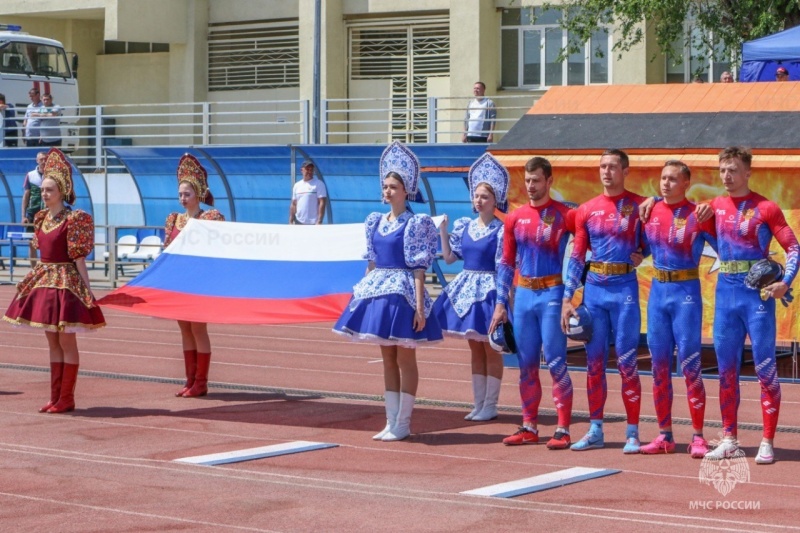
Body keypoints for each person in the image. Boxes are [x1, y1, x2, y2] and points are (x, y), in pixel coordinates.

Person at [333, 141, 442, 441]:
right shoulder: (374, 222)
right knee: (387, 358)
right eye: (385, 185)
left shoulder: (415, 223)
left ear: (406, 190)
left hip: (404, 295)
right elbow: (371, 263)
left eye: (393, 186)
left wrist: (419, 307)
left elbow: (420, 269)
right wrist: (361, 295)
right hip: (380, 292)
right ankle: (391, 420)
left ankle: (403, 422)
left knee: (406, 358)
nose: (388, 191)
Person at [703, 146, 798, 465]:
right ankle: (729, 438)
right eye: (722, 170)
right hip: (725, 296)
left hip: (755, 299)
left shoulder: (766, 207)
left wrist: (785, 281)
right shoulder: (713, 207)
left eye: (732, 170)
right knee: (725, 371)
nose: (726, 176)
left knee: (765, 368)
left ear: (747, 172)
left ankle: (767, 440)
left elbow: (793, 248)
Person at [2, 148, 105, 413]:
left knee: (66, 340)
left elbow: (79, 259)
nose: (44, 194)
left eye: (49, 190)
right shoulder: (40, 218)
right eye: (43, 190)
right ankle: (55, 396)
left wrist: (87, 291)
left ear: (61, 192)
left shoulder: (75, 219)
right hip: (45, 280)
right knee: (51, 340)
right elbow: (40, 253)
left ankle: (67, 398)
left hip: (65, 282)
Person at [561, 148, 646, 453]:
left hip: (624, 289)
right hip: (595, 289)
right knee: (594, 364)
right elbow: (576, 255)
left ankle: (633, 432)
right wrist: (567, 297)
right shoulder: (586, 210)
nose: (606, 172)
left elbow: (653, 242)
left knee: (627, 362)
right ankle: (596, 429)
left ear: (625, 171)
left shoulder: (640, 205)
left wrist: (642, 254)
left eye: (612, 167)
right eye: (602, 166)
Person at [491, 156, 575, 449]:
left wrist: (573, 294)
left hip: (552, 292)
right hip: (523, 295)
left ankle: (563, 429)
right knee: (526, 364)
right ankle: (529, 426)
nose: (531, 186)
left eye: (536, 180)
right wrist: (501, 304)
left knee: (555, 362)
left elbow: (585, 250)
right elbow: (505, 263)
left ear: (549, 181)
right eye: (527, 181)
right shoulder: (514, 217)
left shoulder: (566, 214)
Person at [639, 160, 716, 457]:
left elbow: (729, 249)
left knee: (690, 366)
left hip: (686, 294)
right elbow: (640, 247)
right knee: (658, 367)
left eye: (673, 179)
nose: (666, 183)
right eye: (663, 178)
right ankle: (664, 435)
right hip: (658, 295)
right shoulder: (650, 211)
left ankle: (698, 436)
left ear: (686, 183)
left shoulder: (699, 215)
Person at [433, 153, 508, 422]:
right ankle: (478, 403)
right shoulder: (464, 226)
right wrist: (443, 231)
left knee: (491, 346)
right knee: (474, 347)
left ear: (495, 200)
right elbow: (451, 258)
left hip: (488, 290)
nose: (478, 200)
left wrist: (505, 298)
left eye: (484, 196)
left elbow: (504, 266)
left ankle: (491, 403)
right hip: (467, 287)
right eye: (476, 196)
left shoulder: (501, 230)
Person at [165, 154, 226, 398]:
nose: (182, 198)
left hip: (199, 282)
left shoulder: (209, 218)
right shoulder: (173, 219)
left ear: (198, 194)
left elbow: (220, 247)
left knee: (198, 329)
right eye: (180, 194)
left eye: (187, 194)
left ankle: (201, 381)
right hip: (179, 282)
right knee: (184, 329)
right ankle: (190, 380)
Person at [21, 151, 49, 268]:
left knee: (47, 242)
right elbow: (26, 196)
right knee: (31, 243)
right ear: (37, 161)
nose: (43, 161)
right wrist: (23, 216)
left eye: (45, 159)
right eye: (41, 159)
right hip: (32, 214)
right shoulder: (30, 175)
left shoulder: (52, 175)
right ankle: (33, 270)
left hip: (48, 214)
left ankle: (46, 267)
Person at [289, 160, 327, 225]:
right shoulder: (297, 185)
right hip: (298, 222)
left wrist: (319, 221)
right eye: (307, 169)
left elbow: (322, 202)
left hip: (313, 223)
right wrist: (291, 220)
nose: (310, 171)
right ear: (302, 170)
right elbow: (293, 204)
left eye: (311, 170)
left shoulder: (319, 184)